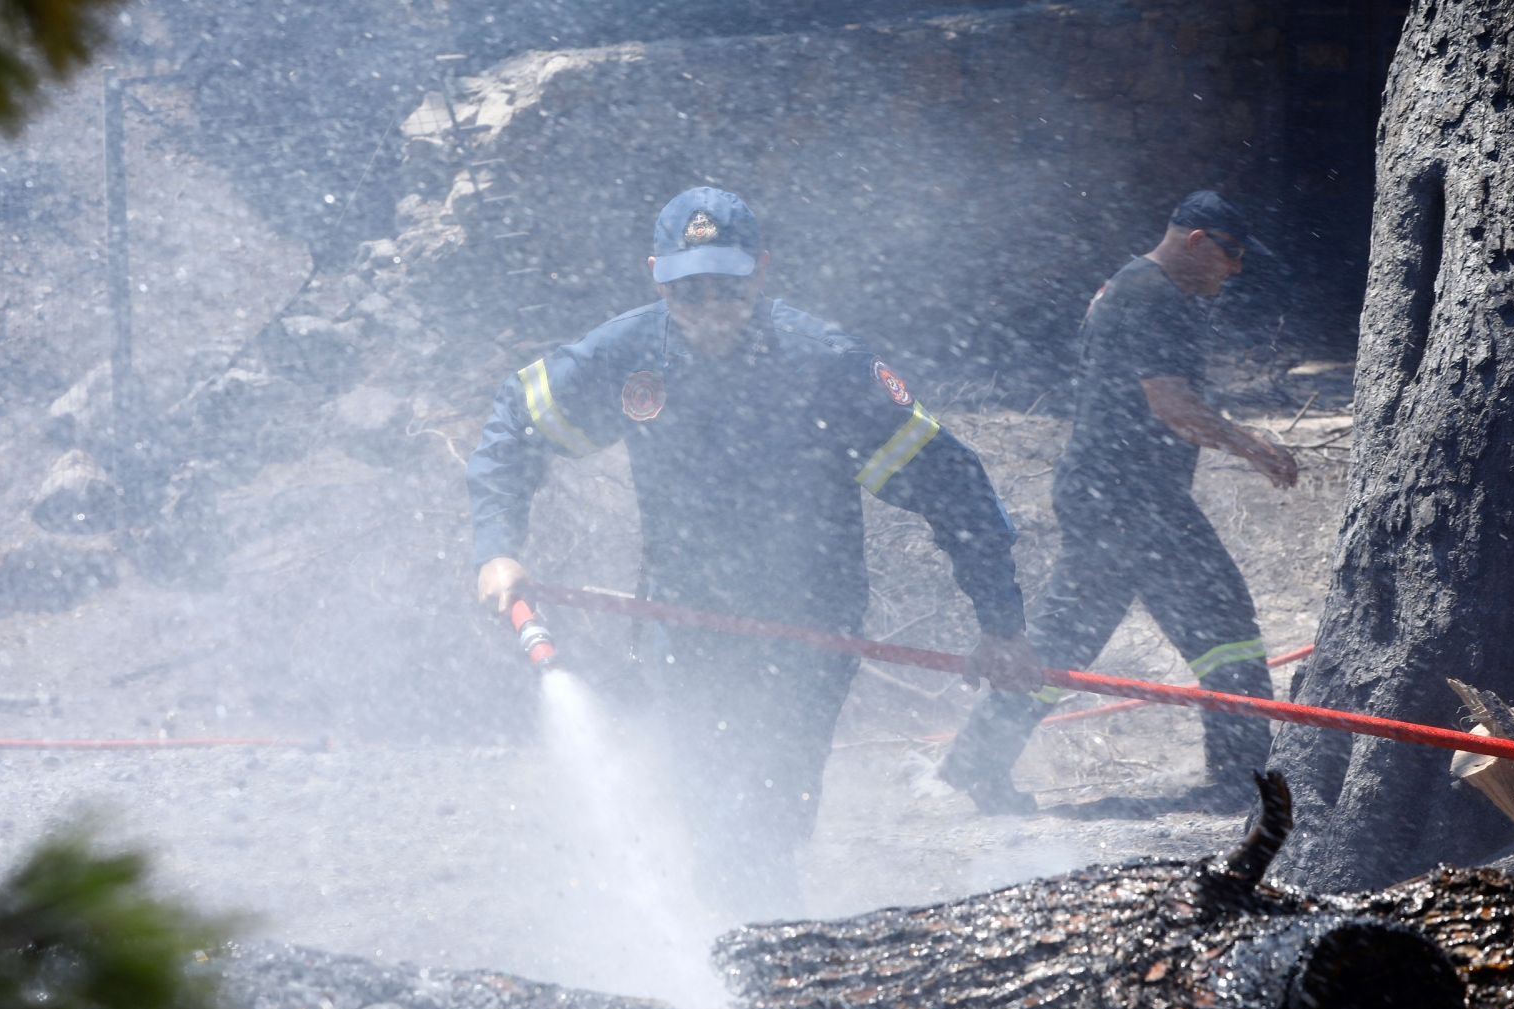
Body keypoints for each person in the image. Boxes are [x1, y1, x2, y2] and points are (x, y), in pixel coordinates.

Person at [467, 187, 1040, 918]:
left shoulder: (826, 364)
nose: (709, 305)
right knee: (712, 808)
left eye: (727, 286)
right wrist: (496, 549)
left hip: (810, 627)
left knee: (767, 804)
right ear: (656, 276)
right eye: (688, 288)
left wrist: (1001, 621)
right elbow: (515, 423)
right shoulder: (626, 356)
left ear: (762, 271)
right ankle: (748, 958)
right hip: (685, 620)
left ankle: (765, 950)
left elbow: (952, 483)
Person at [939, 190, 1299, 816]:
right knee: (1225, 623)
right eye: (1230, 253)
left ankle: (976, 760)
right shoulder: (1152, 297)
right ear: (1195, 241)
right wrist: (1255, 447)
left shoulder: (1134, 289)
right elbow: (1172, 405)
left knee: (1062, 641)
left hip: (1111, 493)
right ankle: (1239, 778)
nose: (1235, 268)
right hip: (1133, 499)